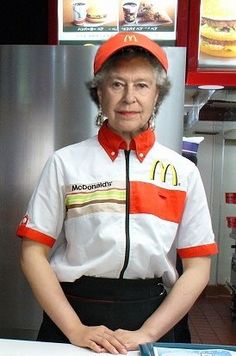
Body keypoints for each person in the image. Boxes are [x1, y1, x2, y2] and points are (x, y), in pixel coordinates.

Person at [17, 32, 218, 354]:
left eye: (141, 85)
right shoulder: (65, 162)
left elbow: (197, 267)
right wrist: (75, 329)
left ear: (157, 95)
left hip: (154, 314)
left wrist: (148, 332)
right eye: (116, 84)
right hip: (74, 313)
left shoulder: (183, 172)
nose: (129, 97)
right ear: (99, 92)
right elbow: (32, 252)